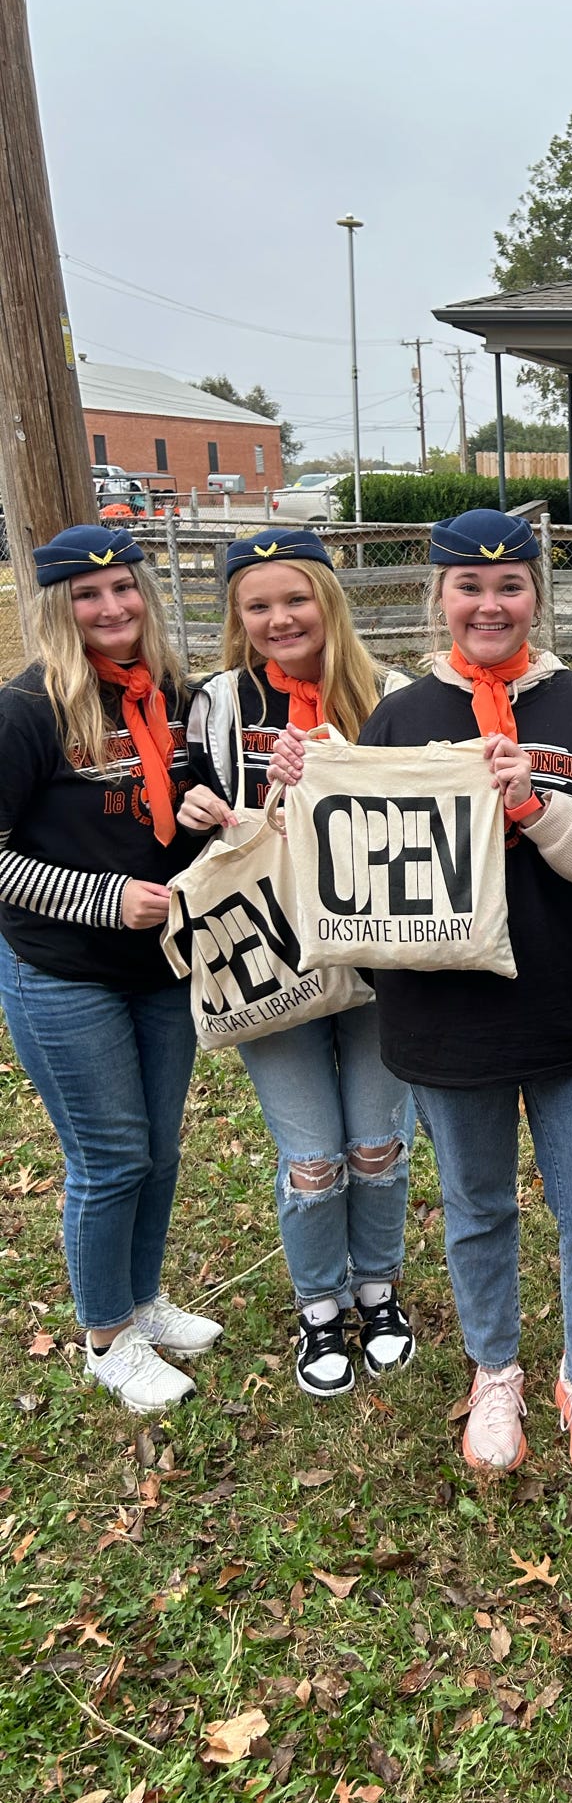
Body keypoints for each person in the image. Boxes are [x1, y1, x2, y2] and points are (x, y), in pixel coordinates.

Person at [270, 509, 572, 1477]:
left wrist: (535, 803)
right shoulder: (400, 716)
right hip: (445, 1016)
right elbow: (347, 856)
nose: (490, 603)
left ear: (536, 595)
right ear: (439, 595)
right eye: (469, 586)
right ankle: (496, 1371)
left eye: (510, 584)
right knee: (477, 1207)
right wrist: (299, 788)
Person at [181, 529, 417, 1399]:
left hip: (375, 952)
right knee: (312, 1156)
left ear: (328, 598)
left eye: (295, 598)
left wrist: (342, 763)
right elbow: (185, 823)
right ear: (238, 618)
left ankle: (378, 1290)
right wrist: (209, 809)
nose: (280, 619)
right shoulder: (213, 700)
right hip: (268, 952)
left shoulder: (389, 690)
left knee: (376, 1143)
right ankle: (320, 1305)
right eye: (258, 605)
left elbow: (418, 811)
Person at [0, 524, 218, 1412]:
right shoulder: (26, 711)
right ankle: (103, 1336)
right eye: (88, 595)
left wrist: (207, 806)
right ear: (58, 606)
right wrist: (101, 897)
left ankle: (140, 1299)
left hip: (161, 962)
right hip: (65, 968)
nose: (112, 607)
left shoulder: (169, 691)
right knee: (109, 1155)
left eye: (124, 588)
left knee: (159, 1151)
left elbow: (178, 797)